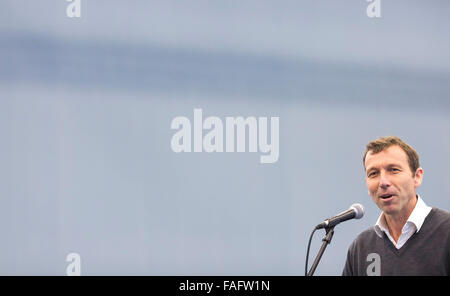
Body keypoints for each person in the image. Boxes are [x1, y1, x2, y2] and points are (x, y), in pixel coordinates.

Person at [342, 136, 450, 276]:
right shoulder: (361, 247)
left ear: (417, 177)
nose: (383, 182)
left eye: (393, 170)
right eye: (373, 173)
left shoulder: (446, 232)